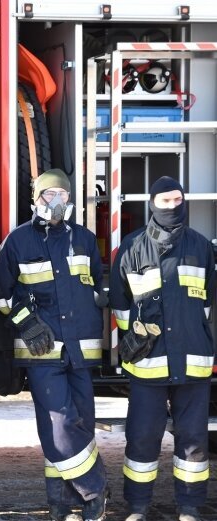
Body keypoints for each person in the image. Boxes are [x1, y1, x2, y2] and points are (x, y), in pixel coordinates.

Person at [0, 168, 109, 521]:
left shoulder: (85, 240)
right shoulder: (18, 241)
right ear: (35, 199)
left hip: (81, 352)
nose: (55, 202)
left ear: (70, 199)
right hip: (42, 352)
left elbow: (96, 287)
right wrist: (25, 322)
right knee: (59, 422)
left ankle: (62, 503)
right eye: (48, 195)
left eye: (62, 195)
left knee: (82, 424)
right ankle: (95, 490)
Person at [109, 176, 214, 521]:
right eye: (165, 201)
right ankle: (137, 506)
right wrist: (133, 340)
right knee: (142, 439)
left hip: (192, 364)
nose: (172, 206)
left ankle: (189, 506)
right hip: (147, 364)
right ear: (152, 204)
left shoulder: (201, 247)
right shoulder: (133, 247)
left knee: (194, 441)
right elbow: (120, 305)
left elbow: (208, 306)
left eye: (176, 200)